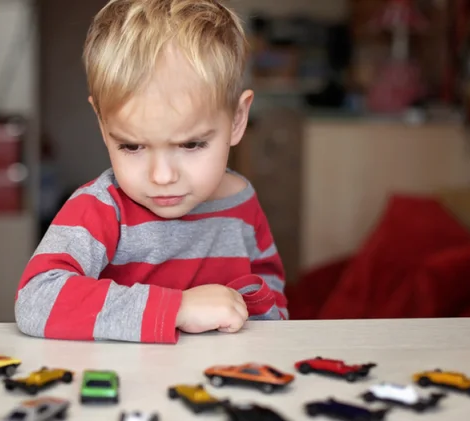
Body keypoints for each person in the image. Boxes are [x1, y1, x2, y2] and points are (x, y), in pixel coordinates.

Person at [14, 0, 287, 344]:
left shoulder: (242, 202)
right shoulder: (101, 209)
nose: (161, 176)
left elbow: (273, 306)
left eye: (190, 145)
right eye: (132, 146)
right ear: (102, 123)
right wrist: (177, 309)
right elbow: (36, 300)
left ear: (236, 119)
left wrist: (253, 308)